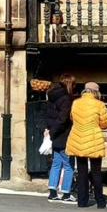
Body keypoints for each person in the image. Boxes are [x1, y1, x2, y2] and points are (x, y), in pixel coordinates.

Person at [66, 82, 107, 209]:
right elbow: (104, 124)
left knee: (81, 172)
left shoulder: (75, 103)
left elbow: (72, 118)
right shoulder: (100, 105)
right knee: (96, 172)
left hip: (78, 140)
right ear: (96, 92)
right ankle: (100, 201)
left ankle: (82, 201)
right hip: (93, 140)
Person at [45, 74, 77, 204]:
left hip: (55, 135)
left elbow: (48, 115)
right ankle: (66, 193)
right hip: (64, 134)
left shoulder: (51, 96)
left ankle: (52, 192)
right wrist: (54, 131)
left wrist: (50, 131)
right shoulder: (66, 99)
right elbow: (63, 118)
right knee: (68, 165)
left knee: (56, 164)